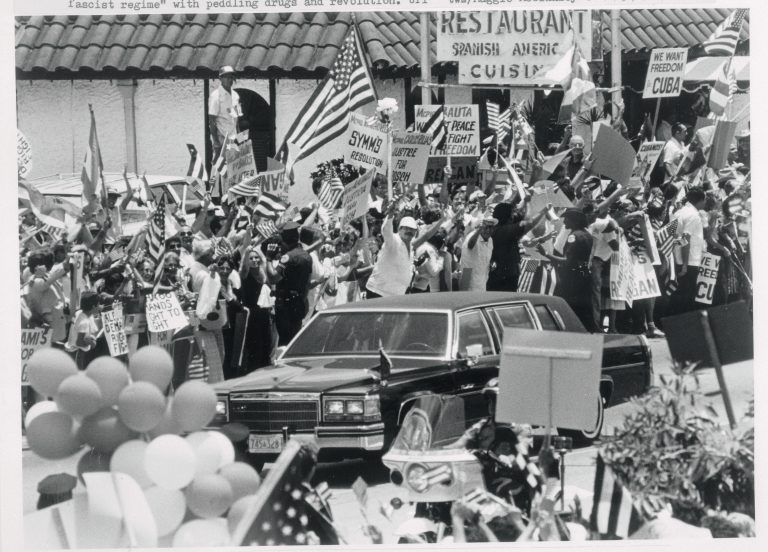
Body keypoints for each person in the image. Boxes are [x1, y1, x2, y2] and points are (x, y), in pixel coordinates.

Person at [537, 208, 596, 332]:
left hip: (573, 278)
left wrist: (546, 253)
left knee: (570, 309)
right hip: (585, 276)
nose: (564, 222)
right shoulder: (588, 235)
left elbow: (568, 261)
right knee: (585, 310)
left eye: (567, 219)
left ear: (574, 221)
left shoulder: (573, 236)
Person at [266, 221, 312, 345]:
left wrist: (269, 258)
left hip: (286, 306)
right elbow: (307, 283)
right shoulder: (307, 256)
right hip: (299, 303)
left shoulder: (288, 257)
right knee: (295, 340)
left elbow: (273, 278)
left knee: (285, 342)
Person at [670, 187, 707, 315]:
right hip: (688, 261)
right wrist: (685, 265)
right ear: (700, 200)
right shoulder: (694, 215)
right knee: (687, 297)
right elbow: (685, 239)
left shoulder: (678, 212)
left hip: (677, 258)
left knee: (679, 295)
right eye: (704, 200)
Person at [208, 65, 241, 154]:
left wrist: (240, 137)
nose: (229, 80)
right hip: (221, 136)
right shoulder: (216, 96)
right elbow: (212, 120)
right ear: (220, 78)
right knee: (220, 165)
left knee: (232, 165)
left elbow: (237, 117)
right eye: (226, 77)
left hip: (232, 136)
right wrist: (215, 141)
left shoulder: (235, 95)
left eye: (231, 77)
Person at [64, 290, 101, 369]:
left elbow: (93, 329)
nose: (100, 306)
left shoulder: (80, 313)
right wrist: (91, 344)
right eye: (98, 304)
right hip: (77, 352)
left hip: (72, 350)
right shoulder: (84, 322)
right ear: (93, 307)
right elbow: (79, 342)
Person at [460, 215, 496, 292]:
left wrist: (491, 263)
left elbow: (486, 258)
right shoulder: (472, 236)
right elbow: (470, 245)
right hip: (468, 278)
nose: (488, 230)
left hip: (482, 281)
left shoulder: (490, 240)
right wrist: (479, 230)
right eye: (486, 227)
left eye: (491, 227)